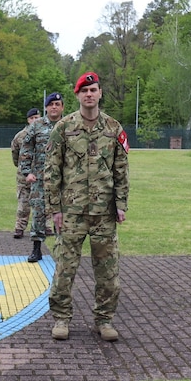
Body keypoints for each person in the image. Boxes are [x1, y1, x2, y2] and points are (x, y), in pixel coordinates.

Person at [44, 72, 129, 341]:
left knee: (107, 271)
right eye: (84, 91)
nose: (89, 94)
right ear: (77, 95)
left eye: (93, 90)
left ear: (100, 93)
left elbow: (121, 169)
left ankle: (104, 319)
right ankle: (61, 318)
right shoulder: (64, 128)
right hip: (71, 212)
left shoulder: (114, 128)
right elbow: (51, 170)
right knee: (65, 269)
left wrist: (121, 204)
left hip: (104, 212)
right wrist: (54, 208)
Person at [19, 93, 65, 260]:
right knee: (38, 212)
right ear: (46, 107)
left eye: (57, 104)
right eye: (51, 104)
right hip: (40, 177)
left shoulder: (69, 125)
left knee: (62, 213)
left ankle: (61, 250)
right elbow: (26, 148)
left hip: (63, 179)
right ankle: (36, 249)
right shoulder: (37, 125)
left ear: (62, 107)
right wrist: (27, 172)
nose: (54, 107)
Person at [11, 108, 41, 239]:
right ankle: (19, 228)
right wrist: (22, 167)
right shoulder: (20, 136)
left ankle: (45, 227)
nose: (35, 120)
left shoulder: (45, 133)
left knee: (42, 202)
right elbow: (15, 153)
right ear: (28, 120)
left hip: (40, 173)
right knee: (23, 203)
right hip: (24, 175)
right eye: (32, 118)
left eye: (37, 117)